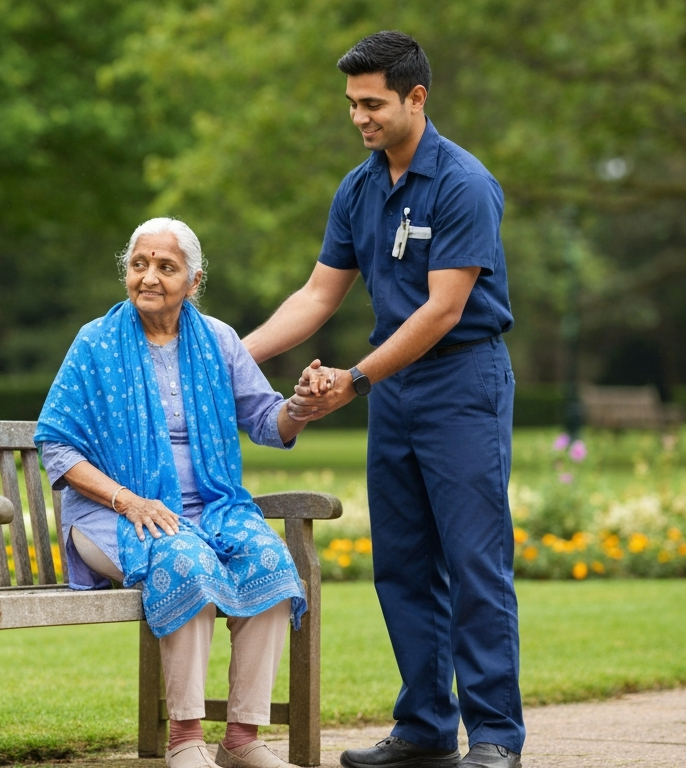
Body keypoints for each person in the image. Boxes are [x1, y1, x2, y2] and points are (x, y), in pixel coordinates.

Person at [242, 32, 524, 768]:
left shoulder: (462, 183)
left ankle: (495, 737)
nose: (360, 118)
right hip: (395, 392)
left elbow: (442, 311)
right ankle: (426, 728)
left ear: (416, 98)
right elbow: (317, 294)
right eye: (351, 105)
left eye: (373, 104)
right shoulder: (359, 187)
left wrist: (355, 381)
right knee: (401, 563)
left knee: (475, 561)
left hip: (462, 384)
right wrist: (231, 357)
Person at [35, 217, 312, 768]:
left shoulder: (219, 341)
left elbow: (266, 421)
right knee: (187, 561)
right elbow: (57, 448)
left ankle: (242, 739)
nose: (150, 277)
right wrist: (129, 500)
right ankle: (185, 738)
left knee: (271, 561)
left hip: (209, 506)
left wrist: (301, 404)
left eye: (166, 267)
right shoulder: (95, 343)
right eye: (139, 265)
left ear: (194, 280)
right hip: (110, 514)